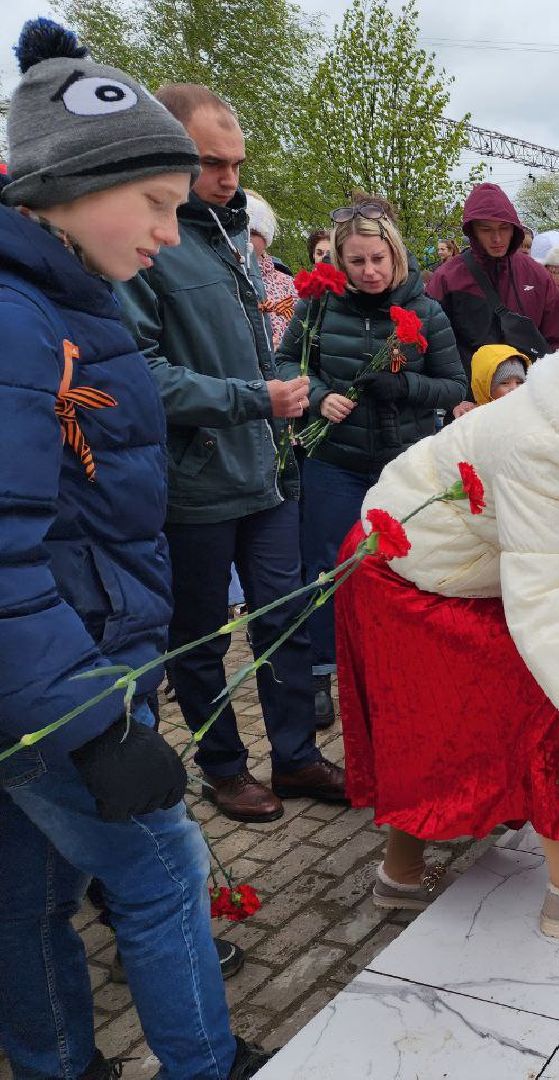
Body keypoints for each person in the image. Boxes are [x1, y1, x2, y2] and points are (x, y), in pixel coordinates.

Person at [0, 19, 269, 1078]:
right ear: (69, 184)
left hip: (56, 666)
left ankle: (55, 1059)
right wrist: (93, 724)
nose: (170, 230)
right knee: (161, 872)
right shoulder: (23, 326)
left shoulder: (67, 301)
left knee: (27, 892)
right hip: (55, 680)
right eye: (155, 203)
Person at [336, 280, 559, 938]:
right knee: (547, 707)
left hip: (427, 565)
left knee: (437, 732)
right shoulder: (546, 444)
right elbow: (550, 606)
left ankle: (401, 874)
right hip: (400, 573)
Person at [115, 82, 346, 824]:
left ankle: (297, 755)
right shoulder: (145, 246)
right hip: (195, 484)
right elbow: (141, 374)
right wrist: (255, 398)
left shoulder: (229, 232)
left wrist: (285, 378)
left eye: (236, 164)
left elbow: (257, 352)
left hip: (267, 472)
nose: (229, 179)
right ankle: (222, 766)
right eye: (212, 163)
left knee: (285, 616)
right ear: (166, 153)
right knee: (201, 636)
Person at [276, 198, 466, 729]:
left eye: (378, 258)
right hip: (333, 460)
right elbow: (285, 360)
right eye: (357, 261)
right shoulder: (317, 307)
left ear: (396, 255)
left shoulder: (425, 310)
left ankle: (402, 668)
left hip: (401, 467)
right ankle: (319, 671)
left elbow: (454, 384)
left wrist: (402, 386)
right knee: (328, 567)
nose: (370, 271)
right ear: (339, 261)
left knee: (402, 568)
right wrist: (316, 395)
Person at [426, 183, 559, 415]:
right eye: (486, 229)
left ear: (515, 229)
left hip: (529, 406)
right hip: (469, 410)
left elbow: (557, 344)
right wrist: (452, 401)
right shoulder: (447, 278)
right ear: (472, 231)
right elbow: (432, 348)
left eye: (504, 227)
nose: (497, 238)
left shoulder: (537, 275)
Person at [247, 189, 297, 352]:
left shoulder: (287, 283)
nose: (245, 239)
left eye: (253, 232)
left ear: (266, 236)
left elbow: (301, 331)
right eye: (240, 230)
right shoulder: (218, 279)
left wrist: (283, 346)